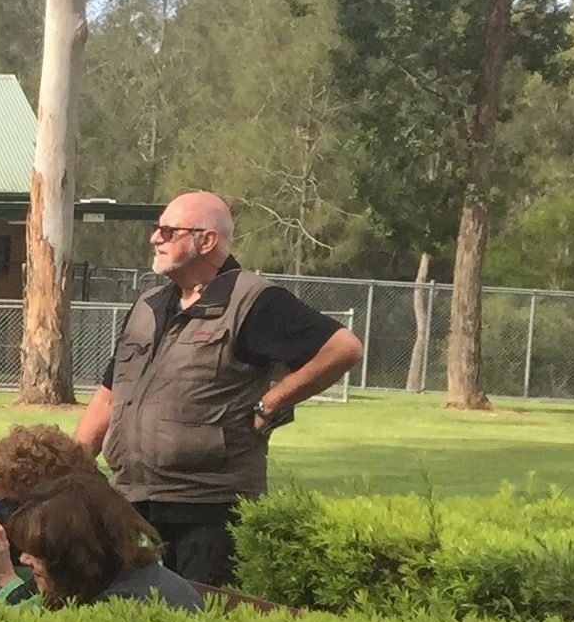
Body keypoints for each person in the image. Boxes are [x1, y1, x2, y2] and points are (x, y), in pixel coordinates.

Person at [76, 192, 366, 586]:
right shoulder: (148, 304)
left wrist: (272, 401)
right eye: (156, 229)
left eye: (167, 230)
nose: (154, 239)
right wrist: (71, 469)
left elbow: (342, 348)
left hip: (209, 509)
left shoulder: (254, 301)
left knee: (204, 620)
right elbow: (111, 393)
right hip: (132, 505)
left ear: (207, 241)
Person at [8, 472, 209, 610]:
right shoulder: (140, 576)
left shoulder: (117, 608)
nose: (24, 558)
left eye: (39, 552)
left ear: (74, 554)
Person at [0, 424, 99, 603]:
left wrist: (6, 579)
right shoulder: (16, 541)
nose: (5, 514)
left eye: (10, 505)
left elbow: (49, 618)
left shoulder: (78, 542)